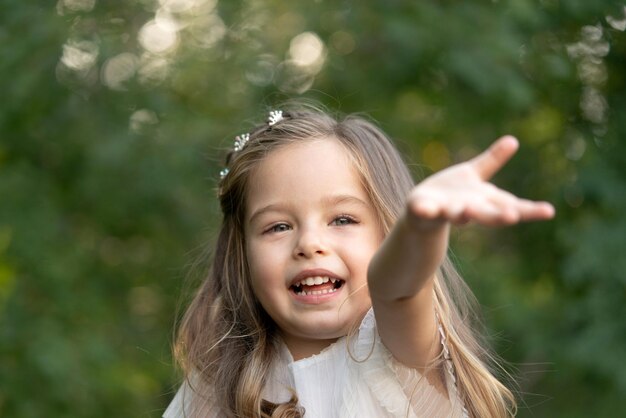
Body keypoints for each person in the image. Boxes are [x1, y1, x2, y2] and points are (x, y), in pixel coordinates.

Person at [163, 105, 555, 418]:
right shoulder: (215, 389)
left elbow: (397, 288)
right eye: (278, 226)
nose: (309, 243)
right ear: (241, 256)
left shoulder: (400, 354)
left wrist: (419, 226)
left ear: (387, 230)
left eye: (343, 219)